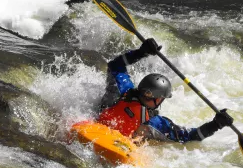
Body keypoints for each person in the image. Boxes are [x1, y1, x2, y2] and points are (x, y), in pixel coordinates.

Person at [97, 38, 233, 143]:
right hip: (111, 138)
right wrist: (216, 125)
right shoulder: (156, 122)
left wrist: (141, 52)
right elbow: (190, 136)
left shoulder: (124, 88)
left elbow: (116, 65)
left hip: (103, 130)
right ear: (157, 99)